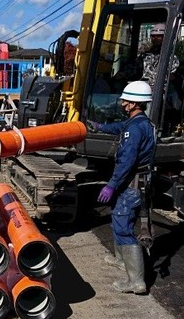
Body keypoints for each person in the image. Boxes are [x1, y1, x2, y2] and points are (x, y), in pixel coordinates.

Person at [87, 80, 156, 295]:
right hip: (142, 183)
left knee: (123, 226)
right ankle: (120, 259)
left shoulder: (134, 130)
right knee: (124, 219)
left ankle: (136, 282)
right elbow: (119, 127)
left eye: (126, 100)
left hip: (131, 184)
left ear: (134, 103)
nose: (122, 102)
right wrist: (99, 127)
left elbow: (126, 161)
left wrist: (111, 185)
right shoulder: (142, 123)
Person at [138, 22, 179, 87]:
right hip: (144, 87)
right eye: (153, 36)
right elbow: (135, 68)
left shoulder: (172, 57)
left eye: (159, 36)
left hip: (164, 91)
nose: (155, 38)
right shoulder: (145, 55)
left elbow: (172, 77)